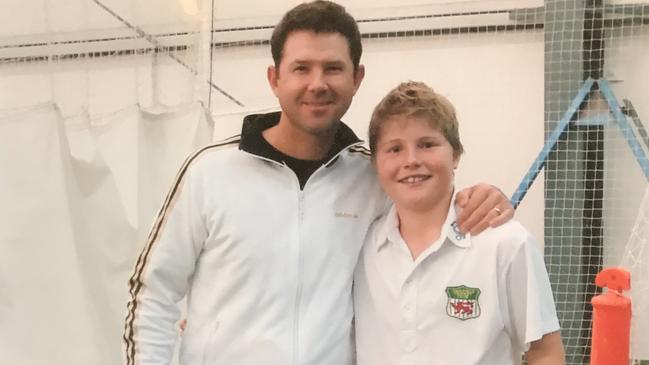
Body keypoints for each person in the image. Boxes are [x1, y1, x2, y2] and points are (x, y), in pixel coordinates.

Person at [122, 2, 514, 365]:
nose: (317, 83)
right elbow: (153, 292)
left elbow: (430, 213)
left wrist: (482, 198)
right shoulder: (210, 171)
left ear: (357, 78)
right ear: (275, 78)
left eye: (332, 68)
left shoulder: (372, 177)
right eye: (301, 68)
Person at [353, 81, 564, 365]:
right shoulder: (360, 246)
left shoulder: (506, 243)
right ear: (376, 164)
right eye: (394, 149)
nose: (411, 160)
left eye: (427, 144)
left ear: (455, 154)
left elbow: (545, 352)